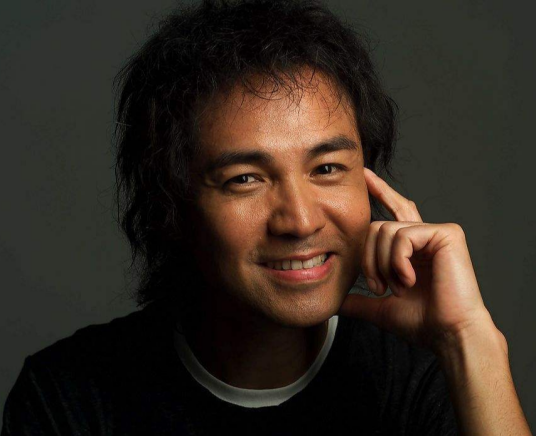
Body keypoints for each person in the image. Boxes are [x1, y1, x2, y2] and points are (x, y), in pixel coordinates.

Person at [2, 0, 532, 435]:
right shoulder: (68, 397)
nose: (299, 221)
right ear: (173, 204)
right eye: (244, 179)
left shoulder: (429, 376)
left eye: (327, 168)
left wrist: (469, 340)